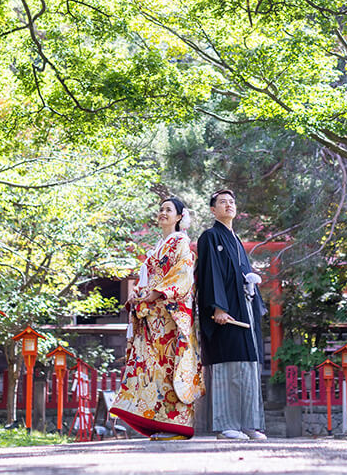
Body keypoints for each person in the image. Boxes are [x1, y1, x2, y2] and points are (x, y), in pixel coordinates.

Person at [110, 196, 204, 440]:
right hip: (153, 317)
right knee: (155, 371)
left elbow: (183, 274)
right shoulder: (157, 247)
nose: (163, 213)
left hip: (170, 318)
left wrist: (155, 293)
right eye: (161, 209)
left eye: (169, 210)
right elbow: (147, 279)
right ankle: (160, 423)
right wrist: (138, 296)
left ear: (180, 217)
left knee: (172, 368)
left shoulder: (181, 242)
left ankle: (178, 425)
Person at [195, 189, 267, 440]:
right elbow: (210, 274)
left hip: (244, 310)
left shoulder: (236, 240)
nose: (229, 205)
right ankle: (227, 425)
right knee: (228, 365)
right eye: (222, 202)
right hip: (226, 313)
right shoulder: (210, 237)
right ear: (213, 210)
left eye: (232, 202)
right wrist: (218, 308)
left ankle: (249, 423)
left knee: (248, 367)